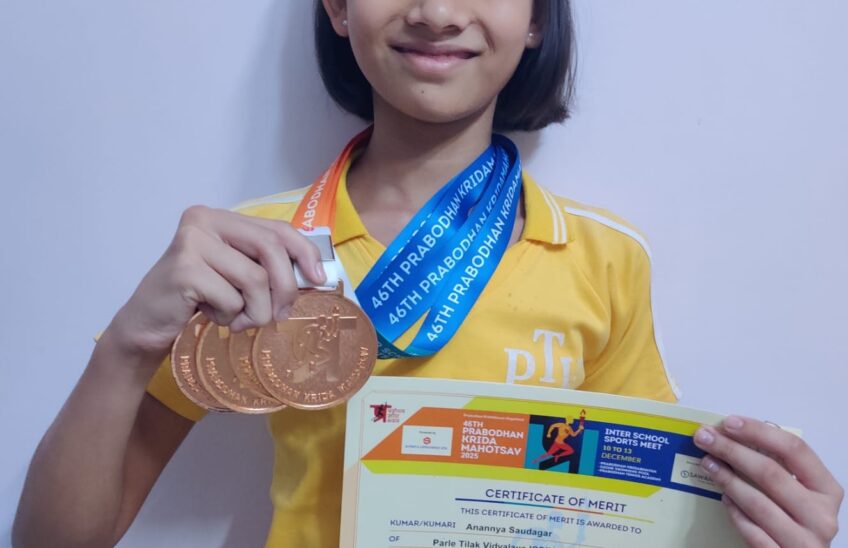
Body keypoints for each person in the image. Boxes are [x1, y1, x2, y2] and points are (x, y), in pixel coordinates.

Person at [12, 1, 843, 547]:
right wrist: (124, 348)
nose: (437, 11)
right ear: (338, 7)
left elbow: (633, 516)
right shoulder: (253, 251)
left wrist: (758, 525)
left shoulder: (603, 257)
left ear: (536, 18)